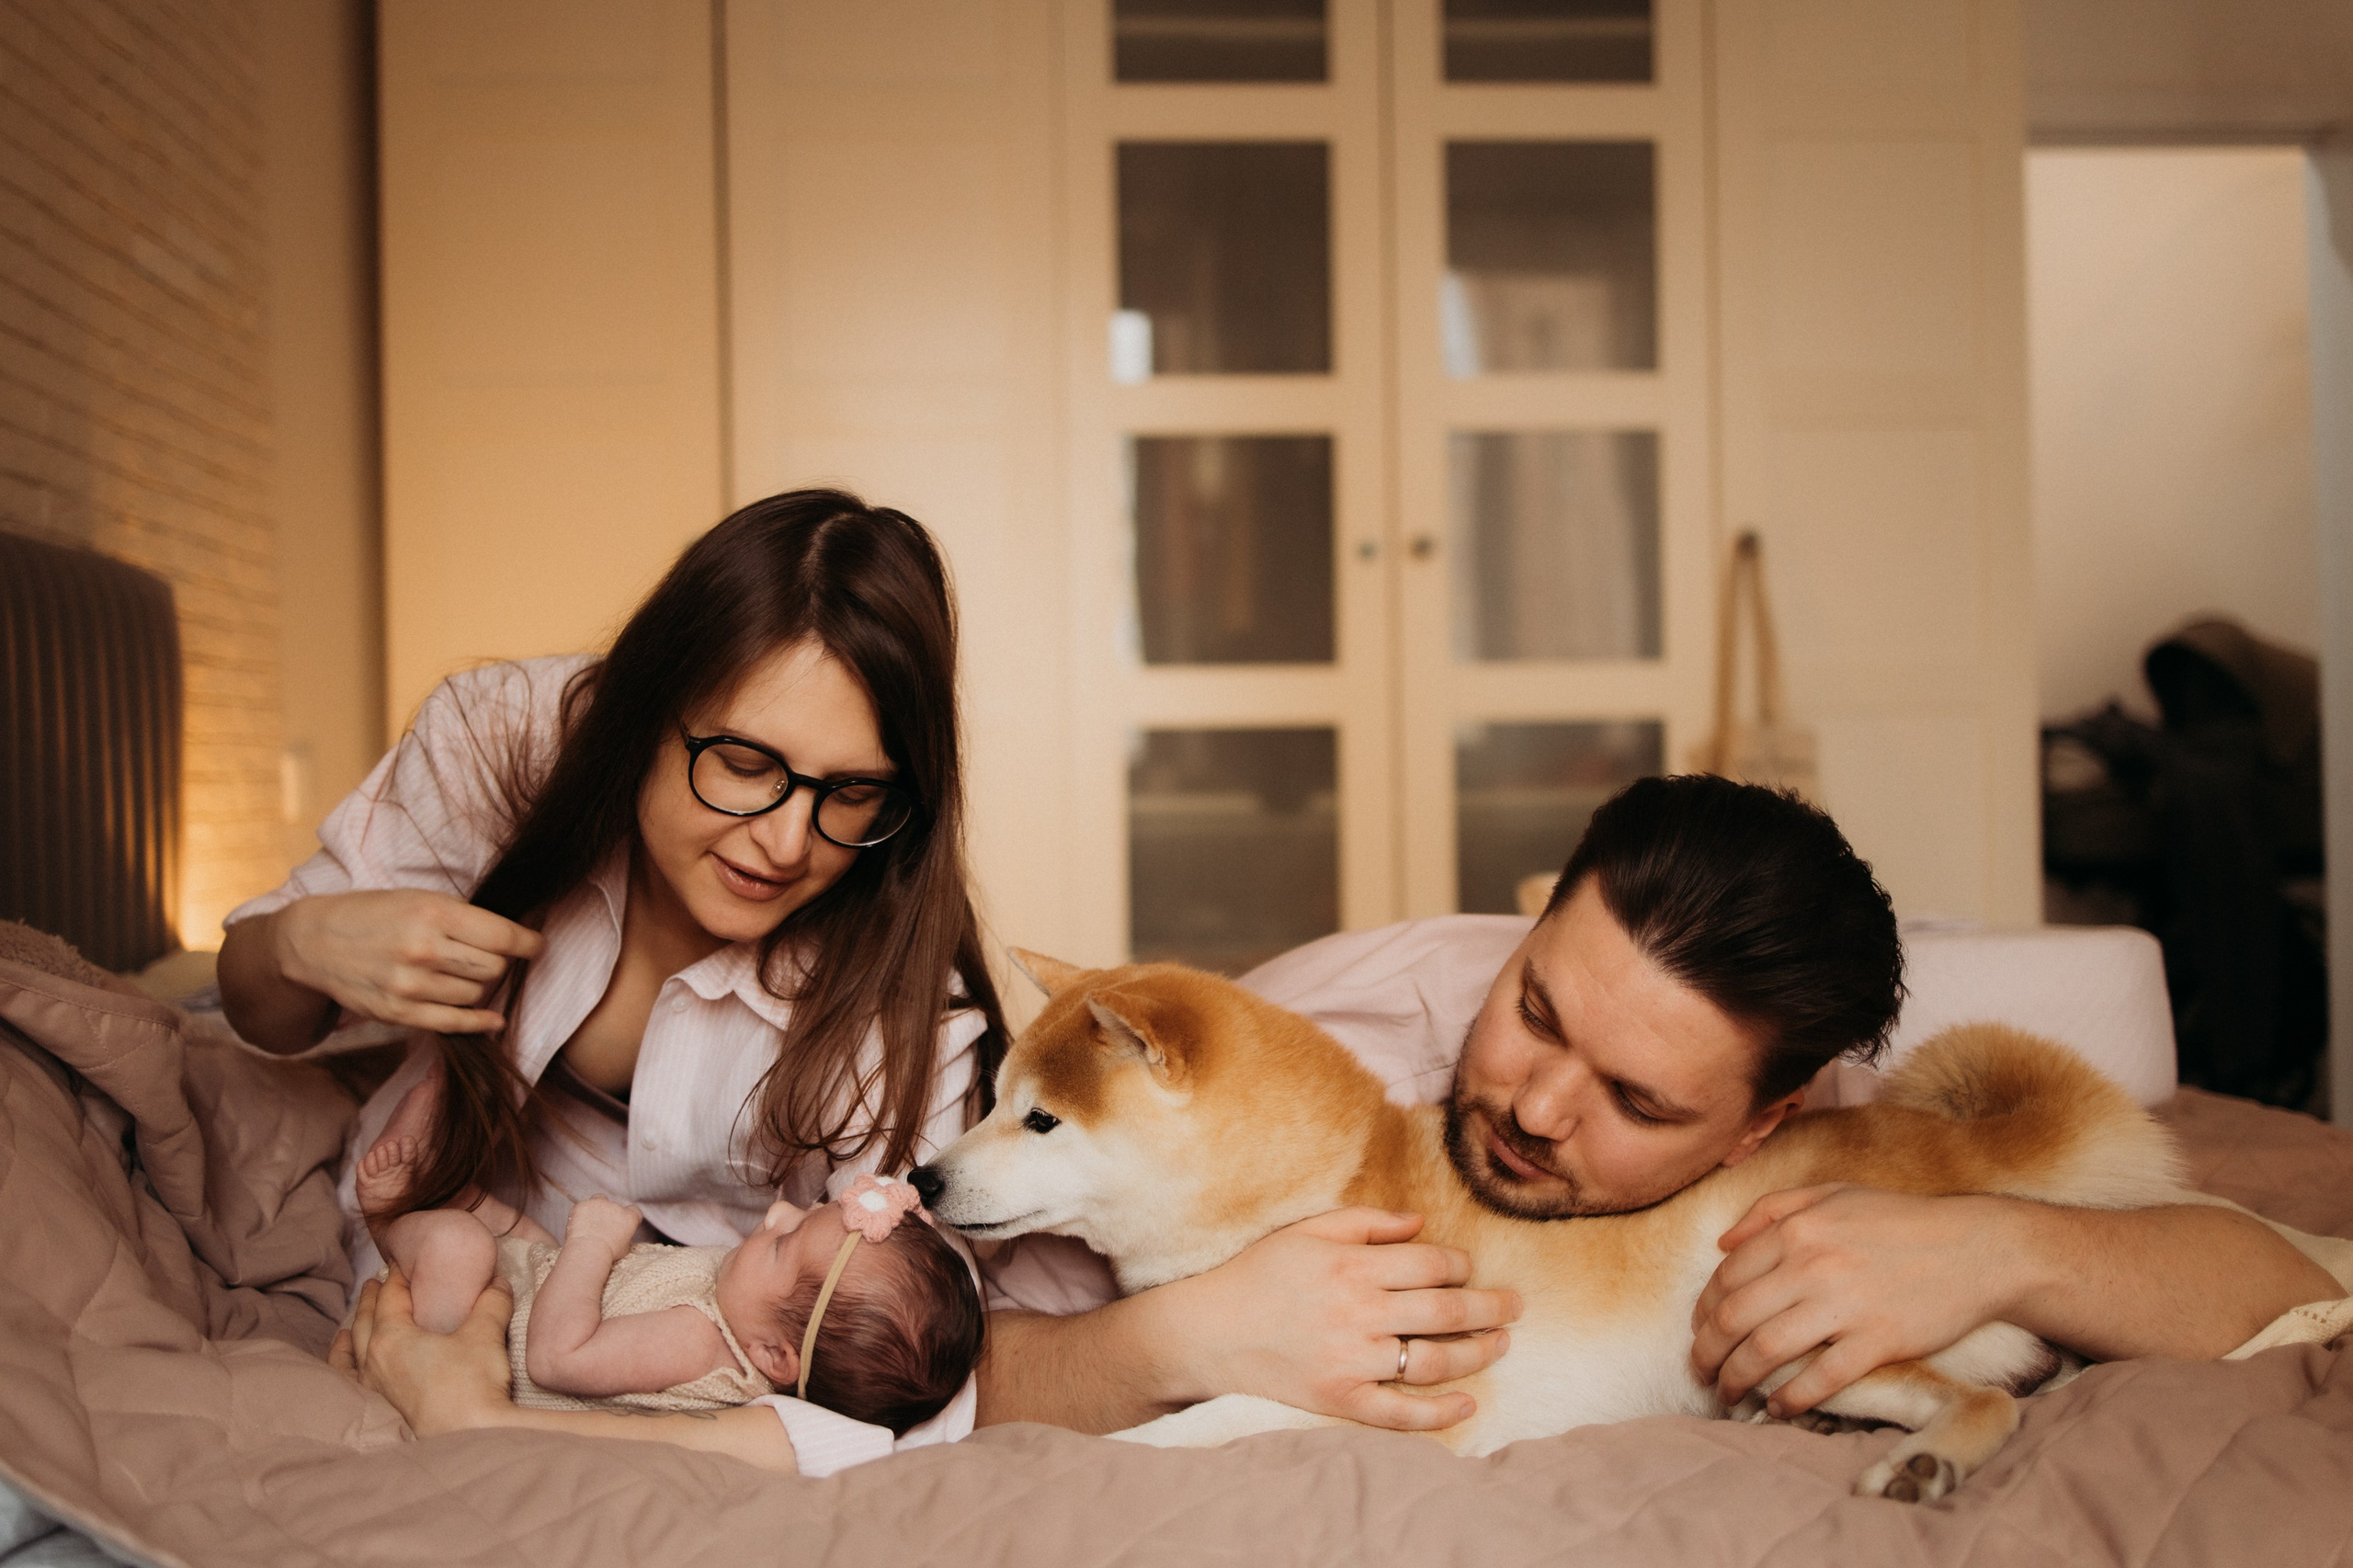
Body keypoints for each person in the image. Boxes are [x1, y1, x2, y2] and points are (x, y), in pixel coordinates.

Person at [970, 774, 2343, 1434]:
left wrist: (2007, 1245)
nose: (1538, 1106)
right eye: (1536, 1009)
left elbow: (2284, 1283)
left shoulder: (1820, 1126)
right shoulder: (1331, 1038)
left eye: (1636, 1097)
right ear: (1534, 919)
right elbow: (961, 1358)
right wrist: (1174, 1334)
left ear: (1758, 1121)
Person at [223, 489, 1023, 1471]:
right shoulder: (504, 740)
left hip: (657, 1364)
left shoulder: (905, 998)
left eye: (850, 791)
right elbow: (259, 1013)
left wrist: (490, 1425)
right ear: (645, 708)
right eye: (742, 762)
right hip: (439, 1238)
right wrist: (298, 940)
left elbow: (890, 1384)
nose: (783, 842)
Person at [359, 1079, 981, 1433]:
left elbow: (556, 1357)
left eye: (783, 1244)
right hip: (536, 1297)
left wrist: (593, 1245)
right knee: (511, 1230)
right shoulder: (746, 1313)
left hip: (484, 1345)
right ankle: (441, 1195)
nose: (775, 1215)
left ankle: (390, 1217)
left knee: (465, 1246)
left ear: (774, 1355)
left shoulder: (701, 1344)